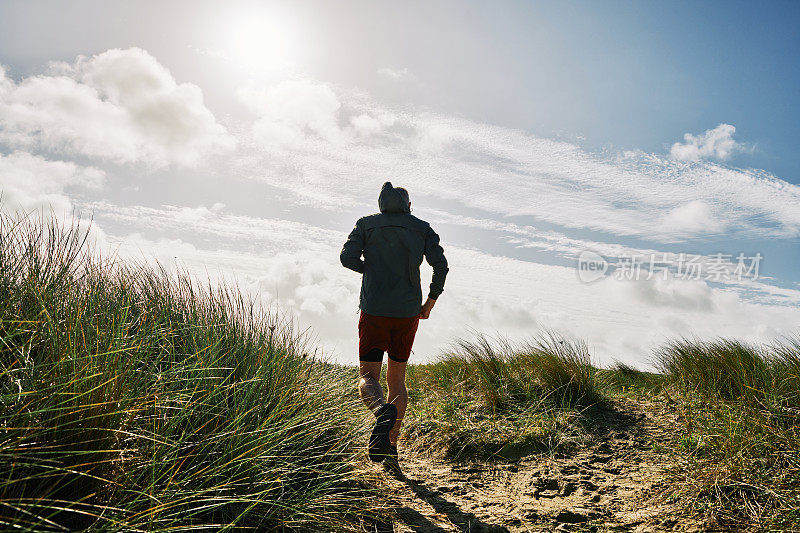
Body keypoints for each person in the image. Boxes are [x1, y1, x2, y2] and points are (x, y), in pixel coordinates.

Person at [340, 182, 448, 479]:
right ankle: (390, 448)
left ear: (381, 204)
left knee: (367, 376)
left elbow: (347, 258)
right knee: (397, 381)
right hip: (407, 312)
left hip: (374, 310)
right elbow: (441, 266)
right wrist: (430, 301)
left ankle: (379, 414)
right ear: (408, 205)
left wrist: (372, 271)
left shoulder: (365, 224)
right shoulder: (422, 228)